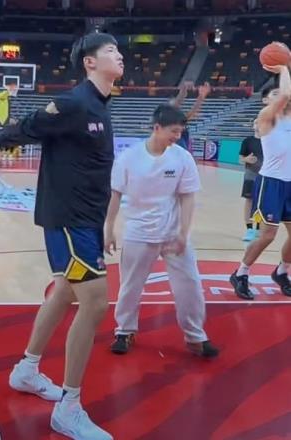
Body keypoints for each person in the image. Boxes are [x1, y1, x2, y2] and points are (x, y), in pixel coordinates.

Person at [0, 32, 124, 440]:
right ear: (89, 62)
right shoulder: (73, 103)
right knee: (95, 302)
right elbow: (21, 129)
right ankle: (69, 408)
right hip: (69, 219)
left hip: (86, 219)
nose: (120, 55)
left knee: (64, 292)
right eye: (111, 51)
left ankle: (27, 370)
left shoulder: (100, 106)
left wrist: (105, 222)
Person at [105, 104, 219, 358]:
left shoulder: (182, 158)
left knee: (190, 285)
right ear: (157, 127)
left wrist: (183, 233)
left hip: (172, 233)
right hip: (138, 232)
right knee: (130, 286)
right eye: (173, 131)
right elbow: (115, 195)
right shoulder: (128, 158)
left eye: (180, 132)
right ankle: (124, 331)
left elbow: (188, 197)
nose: (177, 136)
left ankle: (195, 336)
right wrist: (109, 229)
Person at [230, 64, 291, 300]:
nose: (281, 94)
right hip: (271, 182)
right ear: (266, 100)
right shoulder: (266, 117)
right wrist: (284, 67)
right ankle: (241, 273)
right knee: (267, 235)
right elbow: (285, 95)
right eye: (274, 93)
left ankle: (282, 271)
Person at [239, 120, 263, 241]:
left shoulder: (268, 141)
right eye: (256, 123)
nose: (258, 125)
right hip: (250, 175)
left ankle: (258, 228)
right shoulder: (247, 141)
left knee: (261, 202)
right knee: (249, 201)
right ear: (253, 126)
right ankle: (249, 229)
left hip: (264, 176)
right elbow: (240, 159)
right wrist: (246, 159)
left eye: (260, 122)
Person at [170, 81, 211, 151]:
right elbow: (178, 104)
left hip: (180, 139)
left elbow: (192, 112)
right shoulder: (170, 116)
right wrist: (201, 97)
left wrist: (201, 96)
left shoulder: (177, 118)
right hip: (177, 141)